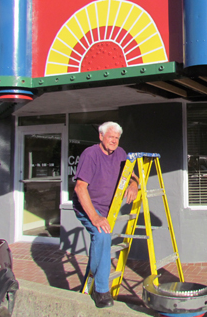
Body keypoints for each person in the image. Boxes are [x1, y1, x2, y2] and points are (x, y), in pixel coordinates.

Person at [73, 121, 139, 308]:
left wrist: (133, 185)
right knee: (102, 235)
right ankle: (101, 291)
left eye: (117, 138)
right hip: (88, 206)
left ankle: (91, 278)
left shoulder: (120, 153)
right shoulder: (90, 154)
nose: (114, 141)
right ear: (101, 136)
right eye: (111, 137)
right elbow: (80, 188)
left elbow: (132, 175)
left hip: (106, 208)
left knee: (101, 241)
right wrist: (94, 217)